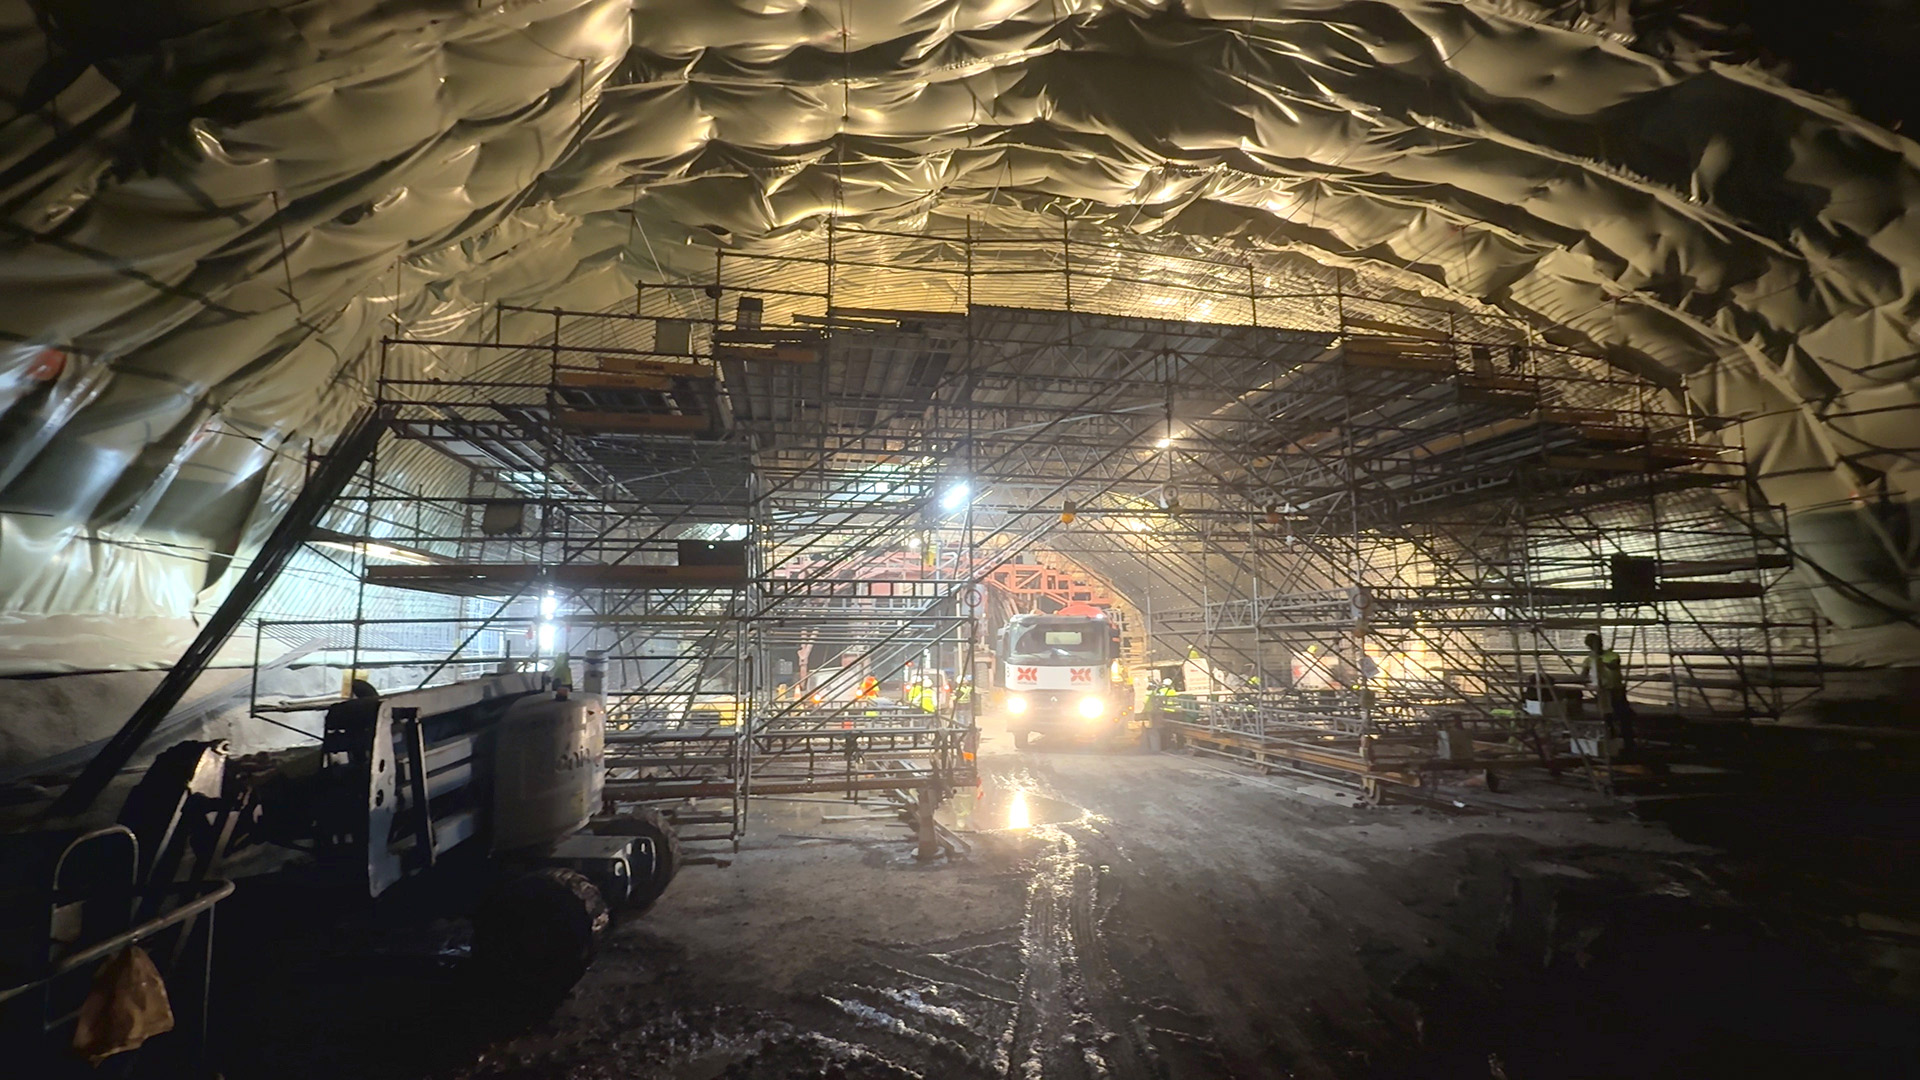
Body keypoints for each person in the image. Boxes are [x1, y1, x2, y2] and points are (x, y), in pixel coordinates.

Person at [1581, 632, 1634, 752]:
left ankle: (1628, 743)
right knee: (1607, 717)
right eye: (1593, 645)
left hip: (1616, 690)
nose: (1597, 646)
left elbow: (1614, 666)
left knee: (1623, 716)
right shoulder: (1589, 659)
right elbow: (1583, 675)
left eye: (1598, 643)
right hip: (1603, 692)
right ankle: (1612, 742)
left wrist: (1599, 661)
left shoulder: (1612, 655)